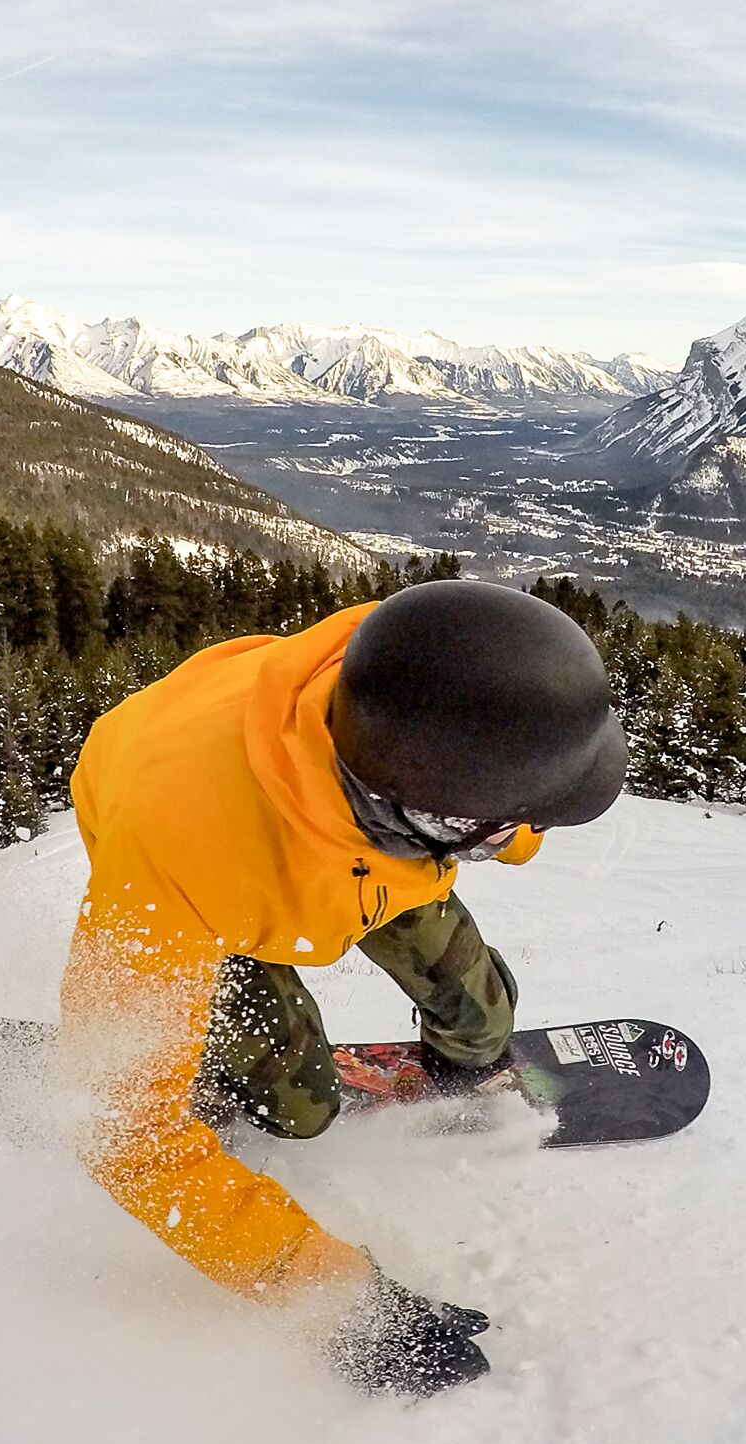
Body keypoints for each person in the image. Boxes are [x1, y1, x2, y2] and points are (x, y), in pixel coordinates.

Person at [59, 579, 625, 1397]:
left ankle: (464, 1055)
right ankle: (196, 1072)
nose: (518, 838)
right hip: (230, 868)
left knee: (480, 1017)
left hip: (372, 856)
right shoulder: (173, 860)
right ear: (434, 816)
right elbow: (127, 1141)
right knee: (299, 1107)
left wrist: (506, 808)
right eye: (500, 828)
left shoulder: (415, 681)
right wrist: (337, 1302)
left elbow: (499, 801)